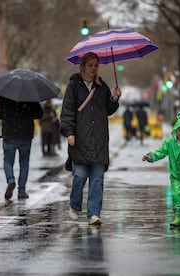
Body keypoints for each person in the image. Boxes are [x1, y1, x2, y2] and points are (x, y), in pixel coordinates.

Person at [60, 52, 121, 225]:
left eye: (96, 65)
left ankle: (94, 214)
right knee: (79, 176)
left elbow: (108, 109)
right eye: (90, 65)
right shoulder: (73, 86)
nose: (93, 68)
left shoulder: (102, 86)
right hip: (79, 139)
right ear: (83, 66)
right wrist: (69, 132)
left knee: (97, 179)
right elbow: (67, 111)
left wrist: (115, 98)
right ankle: (74, 205)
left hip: (99, 140)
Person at [142, 112, 180, 227]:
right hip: (176, 175)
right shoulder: (170, 142)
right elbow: (161, 152)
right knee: (176, 194)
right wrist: (149, 157)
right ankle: (178, 216)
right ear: (175, 129)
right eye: (179, 130)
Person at [0, 96, 43, 200]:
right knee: (24, 163)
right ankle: (22, 191)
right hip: (25, 134)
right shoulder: (30, 95)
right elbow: (39, 114)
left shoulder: (5, 95)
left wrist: (8, 114)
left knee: (8, 161)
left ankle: (10, 180)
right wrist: (27, 113)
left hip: (9, 133)